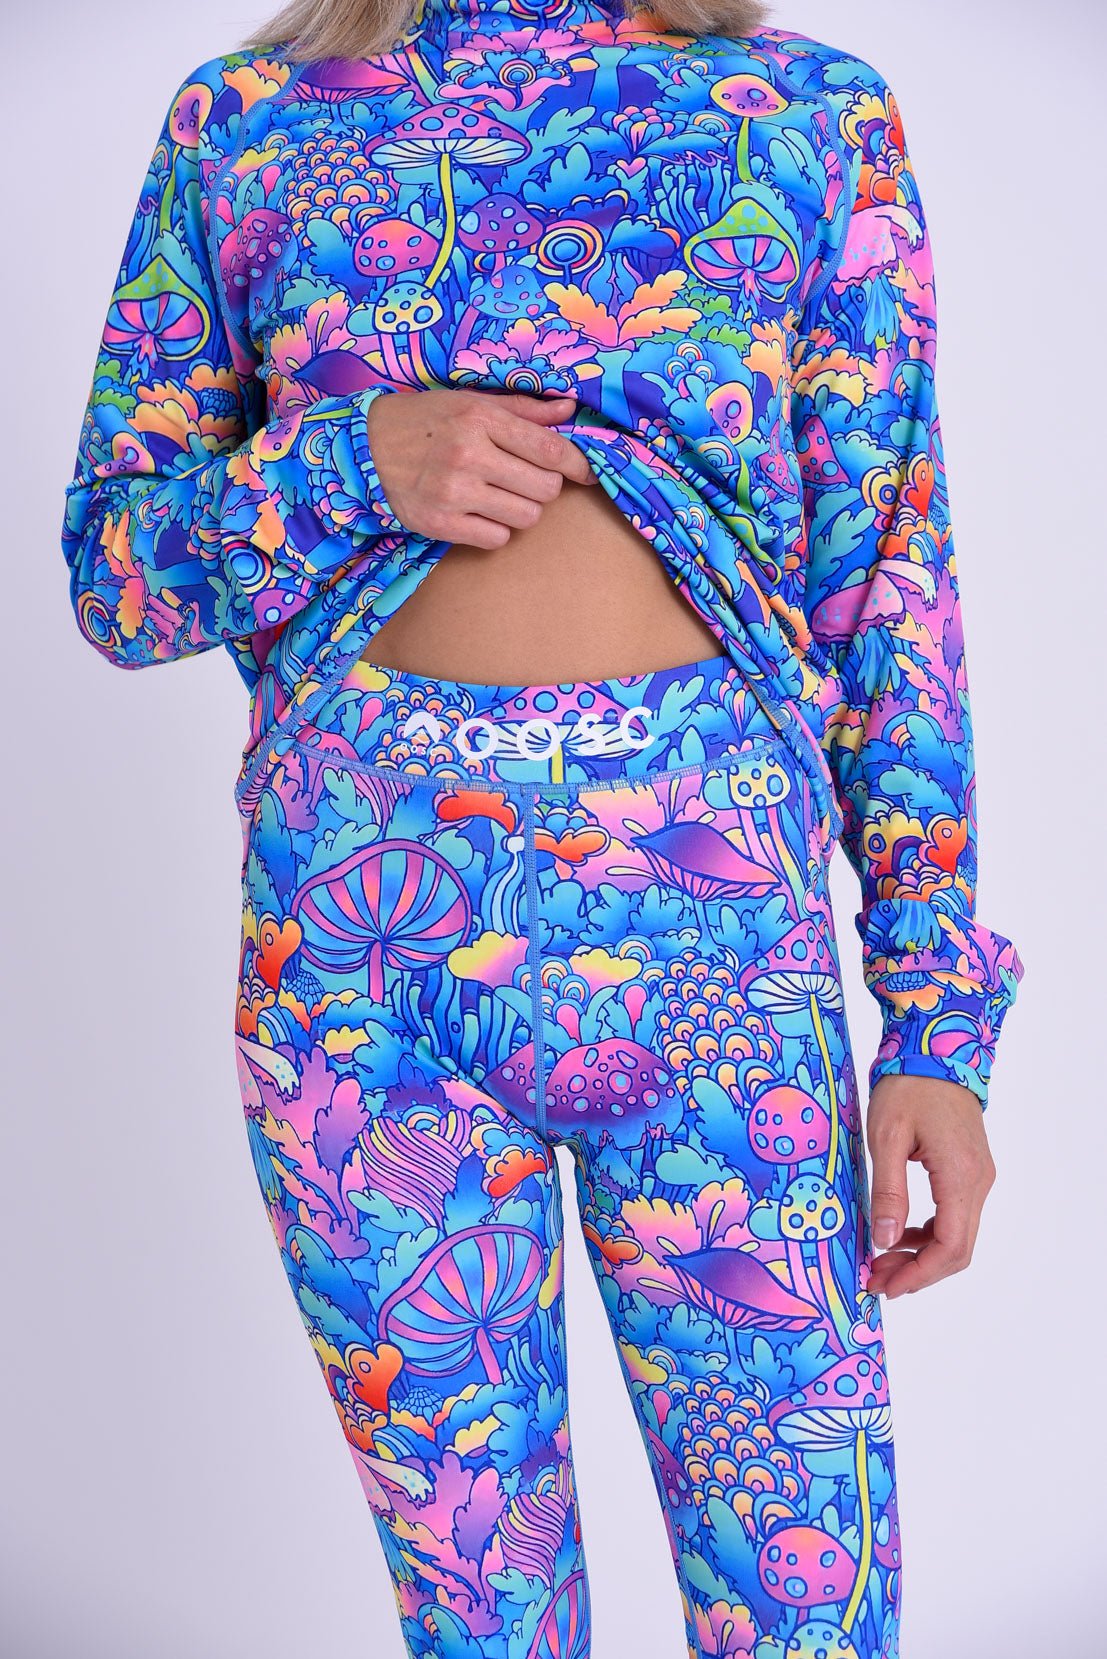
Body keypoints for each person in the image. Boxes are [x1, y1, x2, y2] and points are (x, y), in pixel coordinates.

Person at [60, 0, 1025, 1652]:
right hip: (363, 972)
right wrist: (346, 463)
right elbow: (117, 577)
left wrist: (940, 1024)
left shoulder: (802, 110)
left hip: (716, 952)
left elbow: (889, 583)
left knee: (807, 1612)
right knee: (483, 1626)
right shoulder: (247, 120)